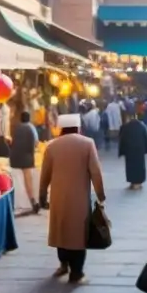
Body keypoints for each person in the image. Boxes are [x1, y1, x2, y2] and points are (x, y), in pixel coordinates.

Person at [39, 114, 106, 283]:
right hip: (79, 198)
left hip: (58, 197)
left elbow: (45, 174)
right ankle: (76, 273)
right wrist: (100, 194)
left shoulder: (52, 146)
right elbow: (95, 172)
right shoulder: (87, 143)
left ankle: (63, 265)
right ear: (78, 127)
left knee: (61, 231)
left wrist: (41, 195)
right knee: (77, 234)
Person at [9, 111, 40, 214]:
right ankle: (32, 201)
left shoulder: (16, 128)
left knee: (15, 179)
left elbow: (12, 142)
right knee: (28, 179)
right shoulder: (31, 128)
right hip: (27, 158)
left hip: (15, 158)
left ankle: (15, 202)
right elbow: (36, 143)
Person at [118, 109, 147, 189]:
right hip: (139, 150)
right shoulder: (142, 126)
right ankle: (138, 182)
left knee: (130, 167)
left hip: (129, 151)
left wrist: (121, 151)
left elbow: (121, 140)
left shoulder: (124, 127)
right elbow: (146, 138)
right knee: (139, 166)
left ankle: (132, 182)